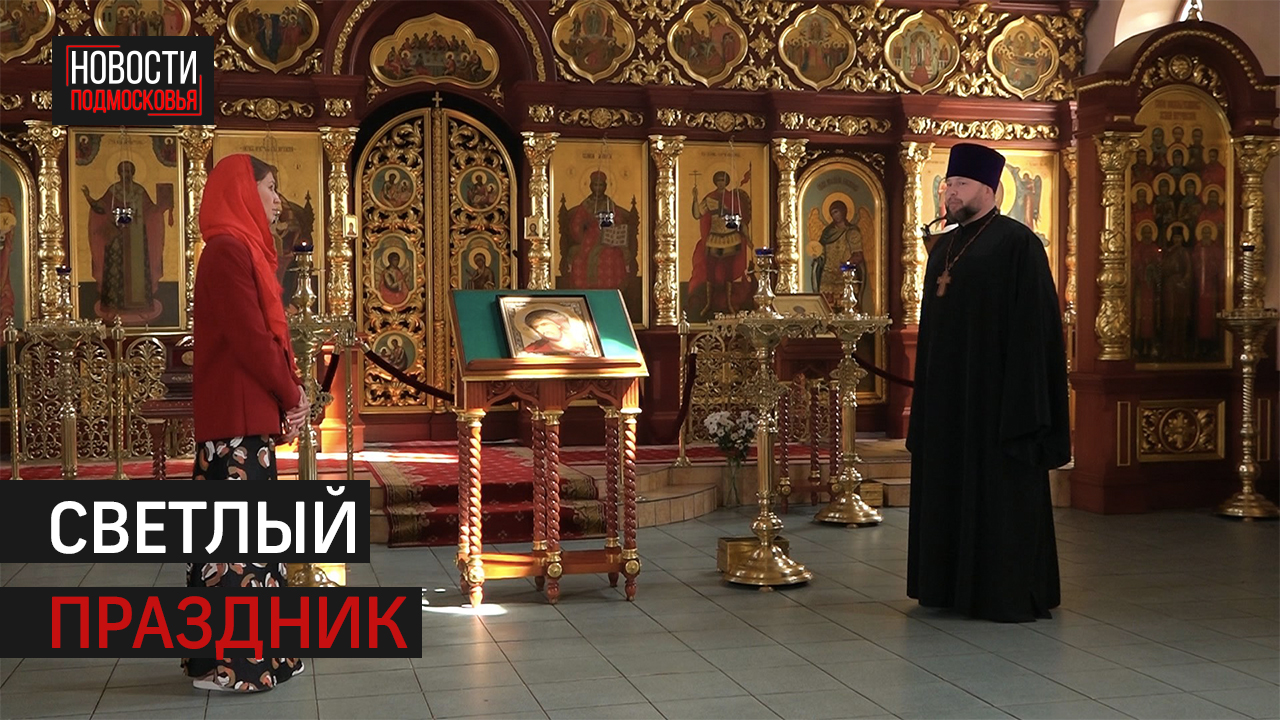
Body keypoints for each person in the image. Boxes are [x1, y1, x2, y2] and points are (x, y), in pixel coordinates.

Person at [907, 142, 1070, 623]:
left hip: (997, 400)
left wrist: (1023, 402)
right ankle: (948, 586)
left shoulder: (1018, 244)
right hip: (948, 401)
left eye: (960, 184)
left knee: (997, 494)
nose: (950, 193)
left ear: (990, 189)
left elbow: (1036, 331)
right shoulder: (944, 248)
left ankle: (1002, 591)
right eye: (948, 184)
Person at [187, 154, 310, 692]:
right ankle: (238, 667)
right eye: (270, 187)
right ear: (241, 190)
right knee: (238, 553)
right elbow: (252, 340)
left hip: (244, 420)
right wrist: (292, 393)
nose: (278, 199)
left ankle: (264, 658)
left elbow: (265, 338)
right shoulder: (227, 251)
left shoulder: (243, 249)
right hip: (234, 426)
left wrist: (288, 394)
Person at [521, 308, 590, 356]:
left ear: (558, 324)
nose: (541, 330)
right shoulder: (534, 348)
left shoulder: (583, 342)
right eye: (536, 328)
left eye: (544, 324)